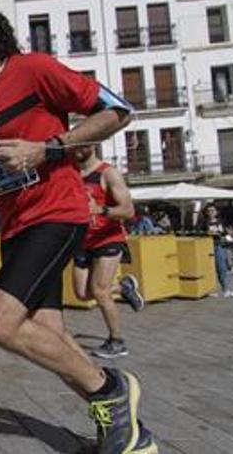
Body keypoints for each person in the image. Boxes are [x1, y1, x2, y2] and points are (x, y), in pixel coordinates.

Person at [0, 0, 156, 453]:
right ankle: (129, 438)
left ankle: (112, 392)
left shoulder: (33, 69)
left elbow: (118, 111)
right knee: (52, 338)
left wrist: (48, 148)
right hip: (14, 226)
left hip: (58, 212)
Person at [72, 144, 145, 360]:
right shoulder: (72, 175)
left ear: (93, 145)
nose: (77, 149)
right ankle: (123, 287)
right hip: (83, 241)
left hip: (108, 238)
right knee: (83, 294)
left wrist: (101, 209)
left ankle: (117, 341)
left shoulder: (108, 173)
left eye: (82, 144)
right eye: (74, 145)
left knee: (100, 291)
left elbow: (128, 210)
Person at [198, 203, 233, 298]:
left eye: (213, 210)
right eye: (208, 210)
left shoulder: (221, 221)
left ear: (216, 211)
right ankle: (210, 290)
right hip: (208, 247)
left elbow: (225, 234)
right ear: (206, 212)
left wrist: (232, 240)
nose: (211, 212)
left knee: (222, 268)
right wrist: (209, 233)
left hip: (220, 246)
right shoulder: (204, 222)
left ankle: (226, 290)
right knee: (209, 269)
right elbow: (199, 234)